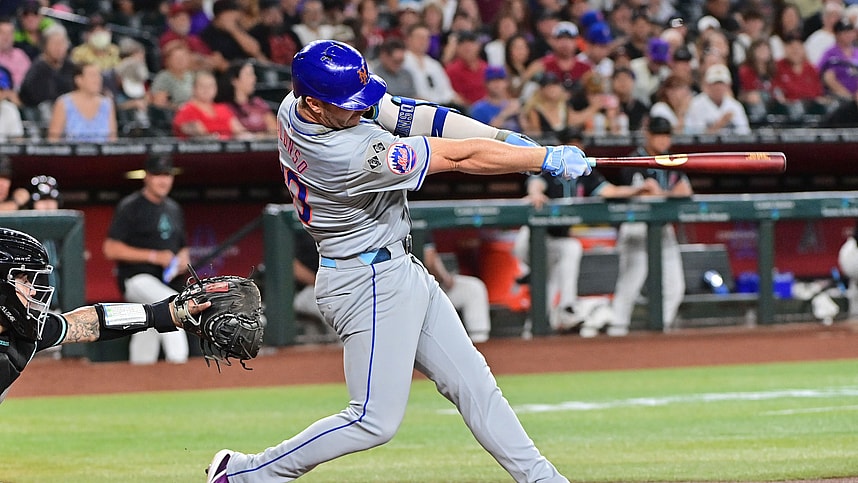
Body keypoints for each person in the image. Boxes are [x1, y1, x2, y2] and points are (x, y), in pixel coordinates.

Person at [204, 39, 590, 483]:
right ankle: (244, 473)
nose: (359, 110)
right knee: (372, 420)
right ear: (314, 104)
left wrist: (502, 140)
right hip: (365, 281)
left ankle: (543, 480)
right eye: (348, 104)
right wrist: (540, 158)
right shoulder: (350, 154)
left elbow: (416, 116)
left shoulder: (294, 107)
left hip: (395, 267)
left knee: (475, 385)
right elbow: (457, 156)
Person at [0, 227, 209, 403]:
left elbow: (92, 321)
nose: (32, 291)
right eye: (23, 281)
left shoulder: (24, 333)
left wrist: (166, 313)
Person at [512, 128, 649, 332]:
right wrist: (535, 193)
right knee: (566, 254)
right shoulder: (550, 162)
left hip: (556, 242)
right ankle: (561, 305)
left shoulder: (584, 171)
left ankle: (541, 325)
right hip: (532, 239)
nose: (575, 146)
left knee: (554, 275)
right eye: (570, 142)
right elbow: (535, 183)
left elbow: (609, 191)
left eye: (578, 142)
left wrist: (638, 189)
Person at [103, 154, 192, 365]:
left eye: (167, 175)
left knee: (146, 327)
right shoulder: (131, 206)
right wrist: (153, 256)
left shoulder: (173, 208)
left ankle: (140, 375)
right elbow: (110, 249)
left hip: (166, 279)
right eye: (158, 175)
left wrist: (182, 259)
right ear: (147, 177)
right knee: (172, 305)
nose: (163, 180)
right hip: (136, 278)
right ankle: (179, 365)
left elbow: (183, 247)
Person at [610, 116, 693, 336]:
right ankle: (616, 332)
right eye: (658, 135)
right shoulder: (635, 160)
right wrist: (669, 194)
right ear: (648, 135)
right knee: (630, 286)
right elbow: (645, 198)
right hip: (636, 228)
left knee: (675, 287)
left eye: (667, 135)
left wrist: (663, 194)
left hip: (663, 229)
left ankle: (660, 331)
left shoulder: (673, 160)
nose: (663, 140)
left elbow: (686, 191)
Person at [422, 233, 491, 343]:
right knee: (474, 289)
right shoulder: (410, 225)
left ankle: (479, 342)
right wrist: (445, 278)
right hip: (420, 292)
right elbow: (430, 261)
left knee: (474, 288)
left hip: (410, 292)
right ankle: (479, 342)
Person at [46, 62, 117, 142]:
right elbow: (53, 139)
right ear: (79, 80)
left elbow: (112, 139)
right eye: (92, 75)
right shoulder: (63, 103)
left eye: (99, 75)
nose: (98, 79)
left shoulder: (107, 103)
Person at [172, 70, 249, 139]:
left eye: (211, 86)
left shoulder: (223, 108)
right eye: (202, 86)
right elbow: (201, 135)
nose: (207, 89)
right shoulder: (186, 110)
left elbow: (239, 131)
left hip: (229, 148)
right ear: (194, 88)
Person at [685, 63, 751, 135]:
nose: (718, 87)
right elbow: (693, 136)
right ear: (707, 85)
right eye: (715, 83)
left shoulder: (735, 106)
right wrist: (719, 124)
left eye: (722, 83)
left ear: (728, 86)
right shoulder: (695, 104)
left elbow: (745, 133)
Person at [216, 60, 278, 136]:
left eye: (253, 74)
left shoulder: (258, 103)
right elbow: (238, 133)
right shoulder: (225, 107)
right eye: (249, 75)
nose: (254, 78)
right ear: (235, 80)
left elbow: (274, 129)